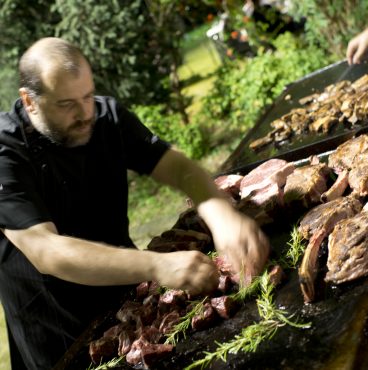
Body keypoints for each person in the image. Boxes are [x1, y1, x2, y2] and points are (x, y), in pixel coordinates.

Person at [0, 37, 269, 369]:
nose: (85, 113)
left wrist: (220, 215)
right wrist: (157, 266)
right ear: (29, 102)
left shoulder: (106, 116)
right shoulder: (7, 150)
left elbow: (178, 166)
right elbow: (47, 251)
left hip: (125, 303)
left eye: (87, 96)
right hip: (57, 330)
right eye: (66, 103)